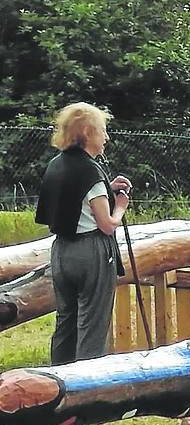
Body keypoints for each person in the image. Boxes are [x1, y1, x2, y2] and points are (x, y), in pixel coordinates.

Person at [35, 102, 131, 364]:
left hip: (61, 252)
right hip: (91, 253)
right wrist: (120, 206)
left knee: (66, 320)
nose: (107, 138)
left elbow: (74, 198)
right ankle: (89, 392)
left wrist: (105, 188)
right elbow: (107, 224)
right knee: (93, 324)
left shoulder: (57, 164)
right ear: (88, 133)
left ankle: (60, 378)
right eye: (103, 131)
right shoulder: (90, 170)